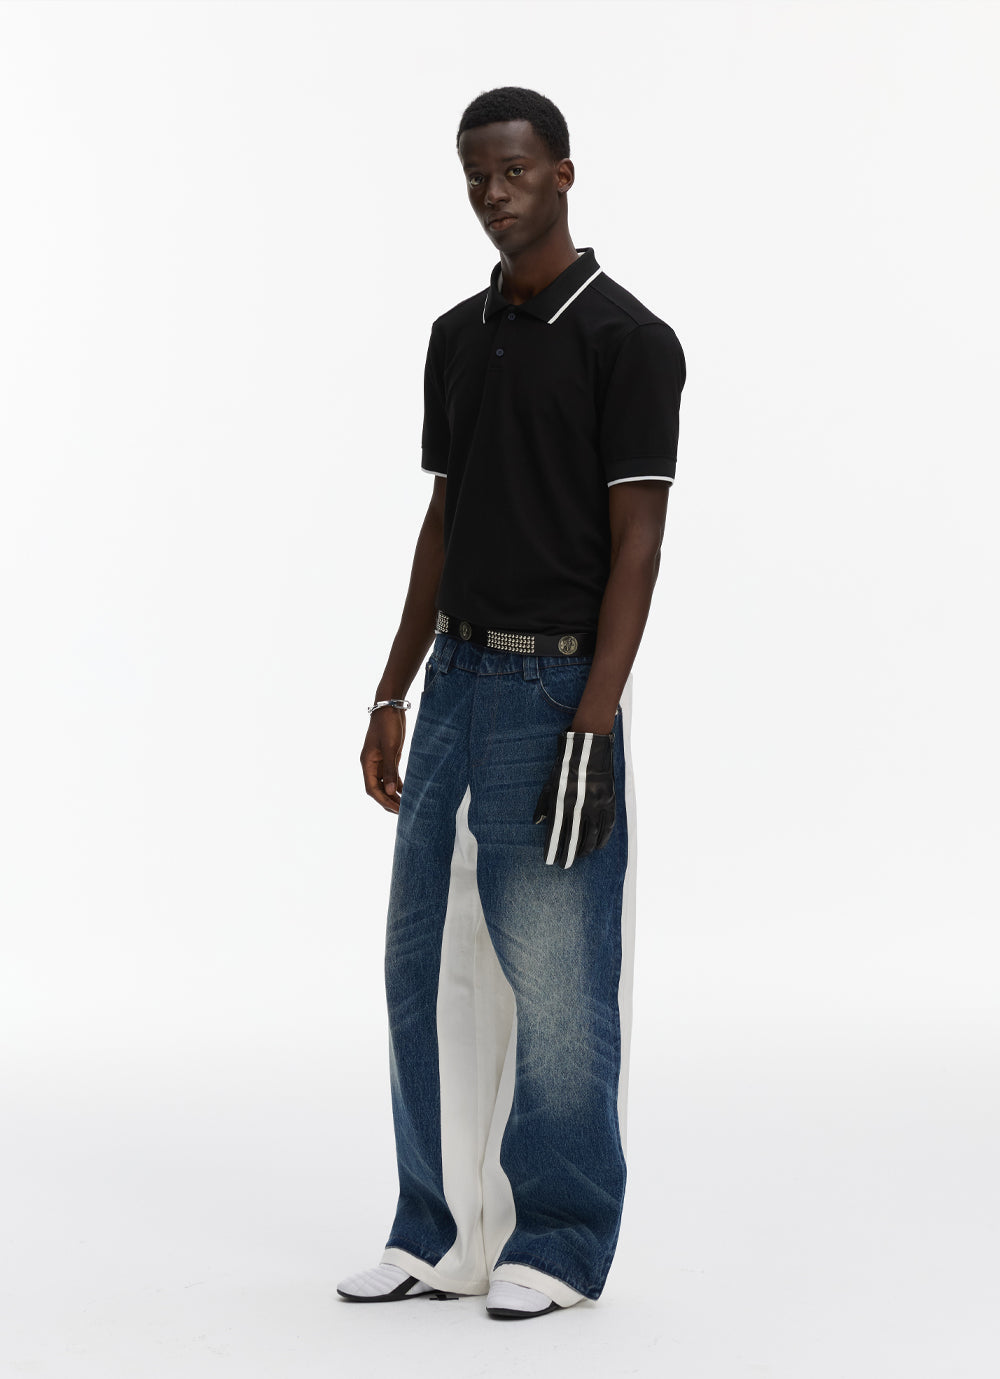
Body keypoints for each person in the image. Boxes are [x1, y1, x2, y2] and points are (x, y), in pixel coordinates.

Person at [338, 86, 686, 1321]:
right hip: (454, 681)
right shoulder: (456, 334)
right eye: (477, 173)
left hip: (553, 686)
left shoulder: (628, 339)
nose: (495, 192)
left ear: (564, 173)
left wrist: (594, 717)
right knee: (423, 960)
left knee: (557, 974)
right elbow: (442, 518)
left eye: (517, 169)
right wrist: (391, 685)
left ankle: (562, 1238)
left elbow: (638, 544)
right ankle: (438, 1229)